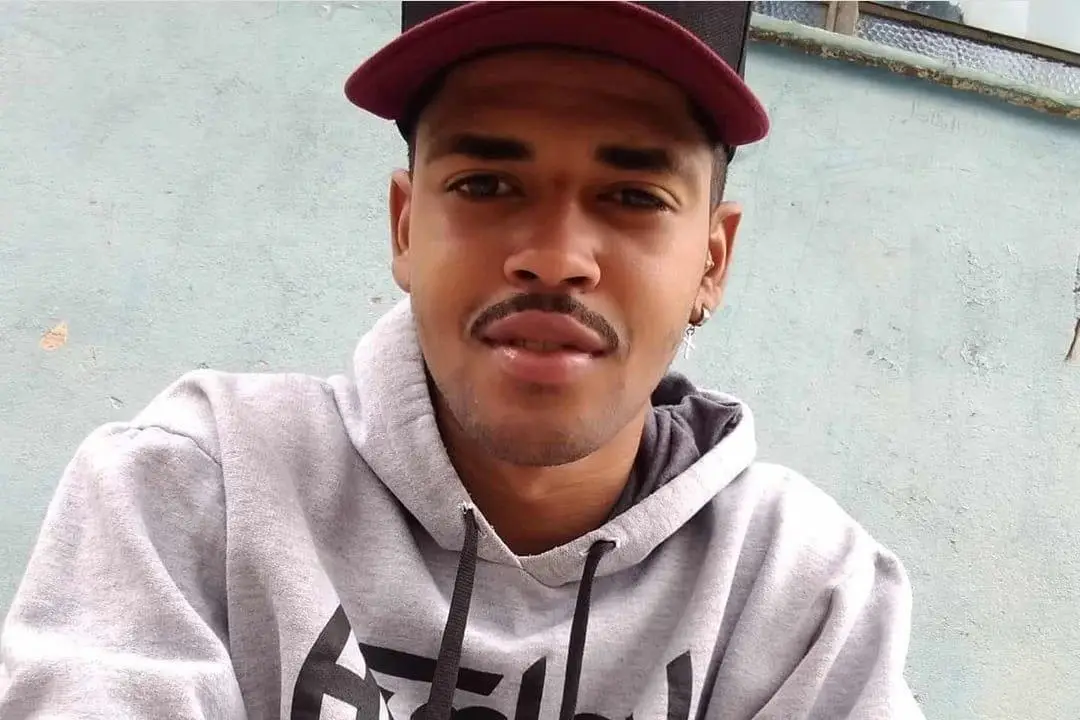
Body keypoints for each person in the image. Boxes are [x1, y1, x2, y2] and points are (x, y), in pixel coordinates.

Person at [0, 2, 925, 718]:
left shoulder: (801, 590)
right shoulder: (197, 486)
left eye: (632, 196)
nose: (556, 257)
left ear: (712, 262)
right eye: (486, 184)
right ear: (406, 227)